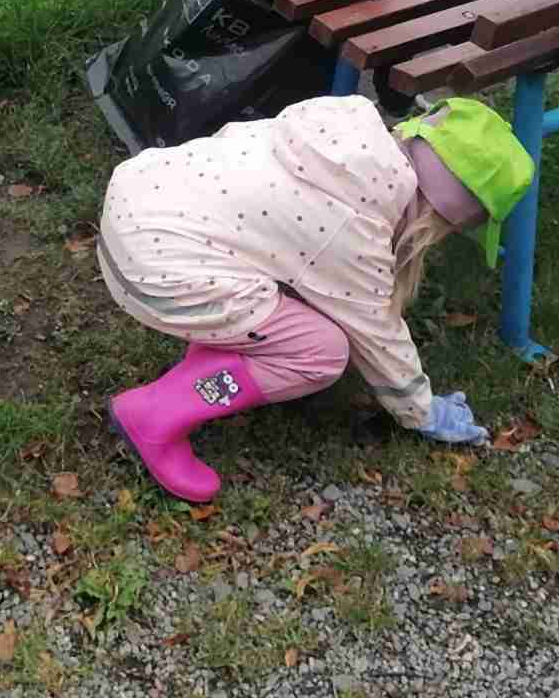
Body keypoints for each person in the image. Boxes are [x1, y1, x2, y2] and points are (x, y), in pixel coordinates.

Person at [98, 94, 534, 503]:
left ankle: (218, 347)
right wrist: (423, 411)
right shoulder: (357, 230)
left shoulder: (348, 126)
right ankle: (154, 415)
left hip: (140, 200)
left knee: (295, 295)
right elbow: (377, 333)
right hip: (153, 272)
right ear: (444, 216)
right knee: (320, 353)